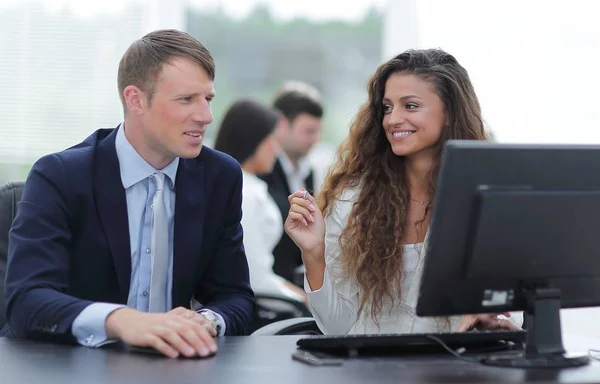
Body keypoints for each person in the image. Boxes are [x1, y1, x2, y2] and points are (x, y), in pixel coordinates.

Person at [1, 29, 254, 358]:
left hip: (170, 368)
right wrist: (120, 320)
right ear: (136, 100)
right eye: (186, 99)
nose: (205, 116)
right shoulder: (60, 175)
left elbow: (236, 297)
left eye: (207, 99)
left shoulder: (220, 176)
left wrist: (205, 321)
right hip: (65, 364)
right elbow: (26, 300)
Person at [285, 49, 523, 334]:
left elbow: (511, 310)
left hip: (452, 369)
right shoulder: (353, 199)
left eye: (410, 106)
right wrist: (313, 253)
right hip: (372, 370)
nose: (393, 119)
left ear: (449, 112)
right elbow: (339, 328)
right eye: (387, 107)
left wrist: (488, 315)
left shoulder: (485, 199)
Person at [214, 100, 306, 302]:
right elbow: (254, 277)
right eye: (273, 140)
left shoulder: (242, 185)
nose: (276, 150)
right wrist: (304, 301)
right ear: (253, 140)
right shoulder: (244, 193)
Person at [259, 81, 324, 285]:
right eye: (308, 131)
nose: (315, 139)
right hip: (268, 293)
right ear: (282, 124)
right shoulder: (259, 173)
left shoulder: (310, 172)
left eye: (317, 131)